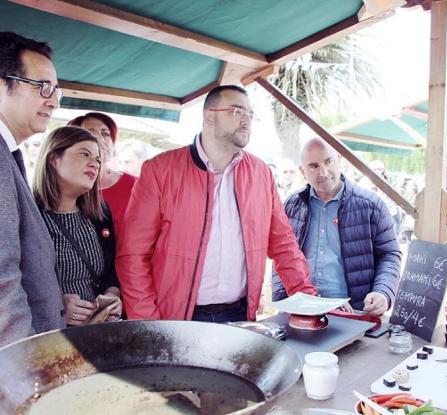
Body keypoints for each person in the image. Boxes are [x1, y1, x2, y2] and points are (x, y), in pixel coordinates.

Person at [116, 85, 317, 323]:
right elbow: (133, 255)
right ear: (209, 116)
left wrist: (308, 301)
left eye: (251, 114)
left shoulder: (261, 173)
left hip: (240, 315)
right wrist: (149, 325)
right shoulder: (159, 170)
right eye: (237, 111)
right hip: (176, 319)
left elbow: (284, 244)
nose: (247, 120)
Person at [272, 138, 401, 316]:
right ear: (303, 171)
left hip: (353, 312)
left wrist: (383, 291)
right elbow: (281, 257)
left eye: (328, 161)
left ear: (339, 160)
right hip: (302, 309)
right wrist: (283, 301)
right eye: (314, 166)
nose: (323, 172)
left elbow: (390, 255)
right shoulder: (291, 206)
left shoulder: (372, 205)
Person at [0, 31, 64, 346]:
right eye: (42, 87)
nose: (53, 100)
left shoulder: (9, 152)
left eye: (56, 90)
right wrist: (27, 371)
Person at [33, 126, 122, 326]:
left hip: (97, 333)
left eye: (98, 159)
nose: (95, 163)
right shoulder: (29, 216)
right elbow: (16, 280)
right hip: (50, 336)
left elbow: (111, 270)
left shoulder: (101, 213)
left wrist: (112, 296)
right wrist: (57, 305)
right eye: (84, 154)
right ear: (54, 158)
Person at [68, 112, 136, 230]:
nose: (100, 139)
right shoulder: (65, 188)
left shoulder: (136, 186)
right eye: (90, 133)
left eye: (105, 134)